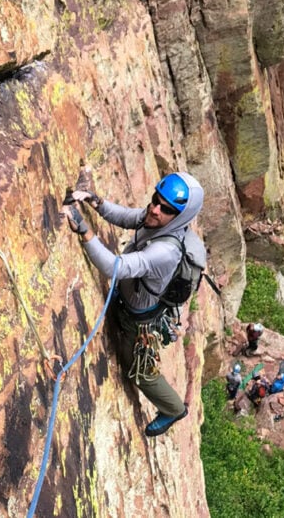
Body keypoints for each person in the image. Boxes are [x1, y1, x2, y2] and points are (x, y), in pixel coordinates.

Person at [61, 171, 205, 437]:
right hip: (129, 299)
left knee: (138, 371)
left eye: (165, 208)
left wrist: (83, 228)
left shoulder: (166, 251)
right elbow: (127, 217)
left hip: (139, 321)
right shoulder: (159, 221)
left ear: (180, 216)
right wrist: (95, 200)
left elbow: (114, 267)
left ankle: (173, 409)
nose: (154, 209)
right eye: (155, 200)